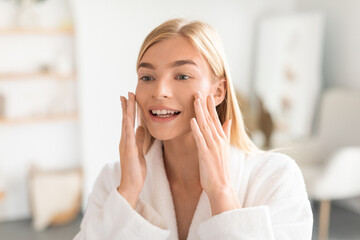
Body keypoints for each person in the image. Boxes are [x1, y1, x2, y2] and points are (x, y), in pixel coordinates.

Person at [74, 18, 313, 240]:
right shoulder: (114, 180)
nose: (160, 91)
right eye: (147, 77)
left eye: (182, 76)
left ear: (218, 91)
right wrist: (127, 193)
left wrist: (221, 191)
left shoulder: (277, 178)